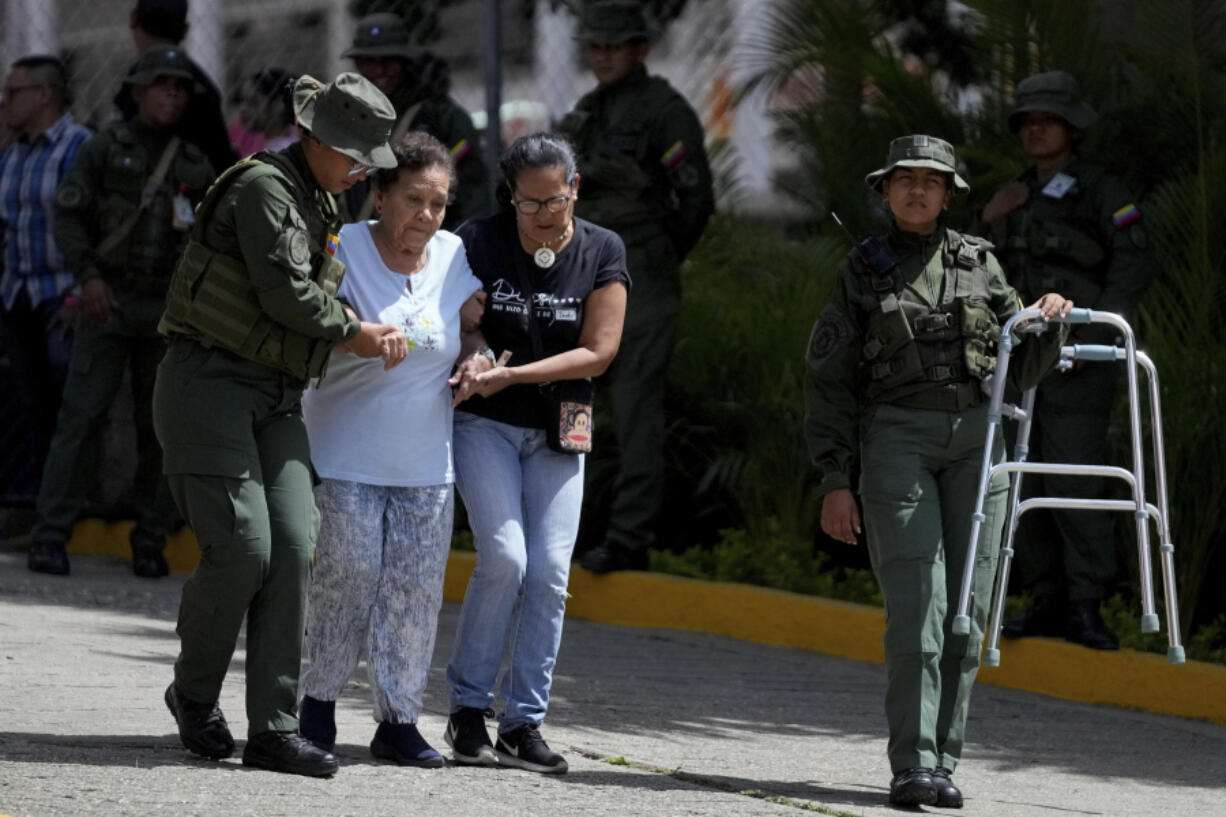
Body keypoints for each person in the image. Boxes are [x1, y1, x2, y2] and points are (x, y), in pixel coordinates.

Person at [804, 135, 1072, 807]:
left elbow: (1023, 363)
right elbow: (828, 382)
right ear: (885, 191)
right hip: (898, 437)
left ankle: (944, 760)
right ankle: (912, 762)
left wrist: (1050, 320)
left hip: (981, 441)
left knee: (969, 609)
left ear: (950, 194)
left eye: (931, 181)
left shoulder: (983, 263)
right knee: (919, 604)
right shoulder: (862, 269)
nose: (917, 190)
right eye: (904, 180)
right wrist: (835, 477)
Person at [153, 72, 407, 778]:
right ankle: (194, 693)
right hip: (208, 384)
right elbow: (287, 296)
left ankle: (275, 727)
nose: (363, 171)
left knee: (295, 544)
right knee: (242, 547)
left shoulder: (319, 196)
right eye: (356, 155)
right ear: (317, 139)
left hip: (274, 396)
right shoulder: (264, 188)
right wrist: (357, 331)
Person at [296, 132, 486, 767]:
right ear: (378, 194)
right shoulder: (343, 249)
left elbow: (469, 329)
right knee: (347, 577)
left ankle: (399, 721)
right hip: (344, 451)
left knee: (414, 590)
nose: (426, 217)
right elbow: (311, 328)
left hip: (425, 461)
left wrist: (476, 358)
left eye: (438, 204)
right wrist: (359, 337)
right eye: (413, 200)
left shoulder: (452, 255)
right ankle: (316, 706)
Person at [444, 132, 628, 774]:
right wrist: (471, 340)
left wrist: (513, 374)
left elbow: (600, 351)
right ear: (510, 197)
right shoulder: (477, 239)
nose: (548, 215)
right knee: (504, 557)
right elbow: (457, 317)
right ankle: (468, 711)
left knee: (550, 570)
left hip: (559, 424)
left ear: (575, 187)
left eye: (559, 199)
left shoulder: (603, 249)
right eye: (532, 204)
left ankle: (523, 723)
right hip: (486, 423)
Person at [26, 47, 214, 578]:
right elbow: (68, 217)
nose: (171, 94)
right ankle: (50, 534)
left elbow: (207, 242)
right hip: (106, 302)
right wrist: (87, 279)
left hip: (165, 313)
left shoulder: (195, 165)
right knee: (81, 420)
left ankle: (151, 538)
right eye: (161, 85)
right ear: (136, 91)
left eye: (180, 87)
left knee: (161, 430)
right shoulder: (105, 149)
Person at [982, 72, 1151, 650]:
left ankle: (1085, 604)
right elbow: (972, 267)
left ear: (1072, 128)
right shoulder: (1011, 193)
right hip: (1020, 359)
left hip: (1078, 357)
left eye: (1047, 119)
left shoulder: (1104, 191)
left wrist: (1097, 329)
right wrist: (988, 216)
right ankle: (1045, 597)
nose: (1036, 127)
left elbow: (1130, 267)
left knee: (1074, 477)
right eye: (1027, 119)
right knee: (1022, 476)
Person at [561, 1, 715, 574]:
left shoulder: (665, 112)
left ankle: (628, 537)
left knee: (634, 409)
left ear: (639, 50)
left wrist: (654, 253)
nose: (601, 55)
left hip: (641, 275)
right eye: (595, 46)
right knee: (572, 400)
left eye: (613, 45)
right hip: (582, 271)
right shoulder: (586, 111)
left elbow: (696, 200)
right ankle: (568, 523)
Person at [0, 55, 92, 498]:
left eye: (13, 92)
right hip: (18, 295)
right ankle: (33, 500)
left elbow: (96, 227)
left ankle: (68, 502)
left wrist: (81, 293)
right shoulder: (13, 153)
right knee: (28, 402)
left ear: (44, 95)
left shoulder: (80, 148)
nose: (5, 101)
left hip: (63, 297)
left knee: (65, 405)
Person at [340, 12, 492, 228]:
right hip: (360, 244)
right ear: (357, 65)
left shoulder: (438, 116)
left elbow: (472, 191)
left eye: (389, 61)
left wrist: (466, 245)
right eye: (369, 61)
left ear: (404, 62)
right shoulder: (347, 116)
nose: (380, 70)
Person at [118, 0, 238, 173]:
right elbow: (221, 159)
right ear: (185, 30)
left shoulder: (136, 84)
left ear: (133, 19)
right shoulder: (202, 86)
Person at [228, 68, 298, 157]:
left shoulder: (282, 155)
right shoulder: (278, 148)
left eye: (252, 102)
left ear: (278, 107)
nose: (243, 109)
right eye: (243, 101)